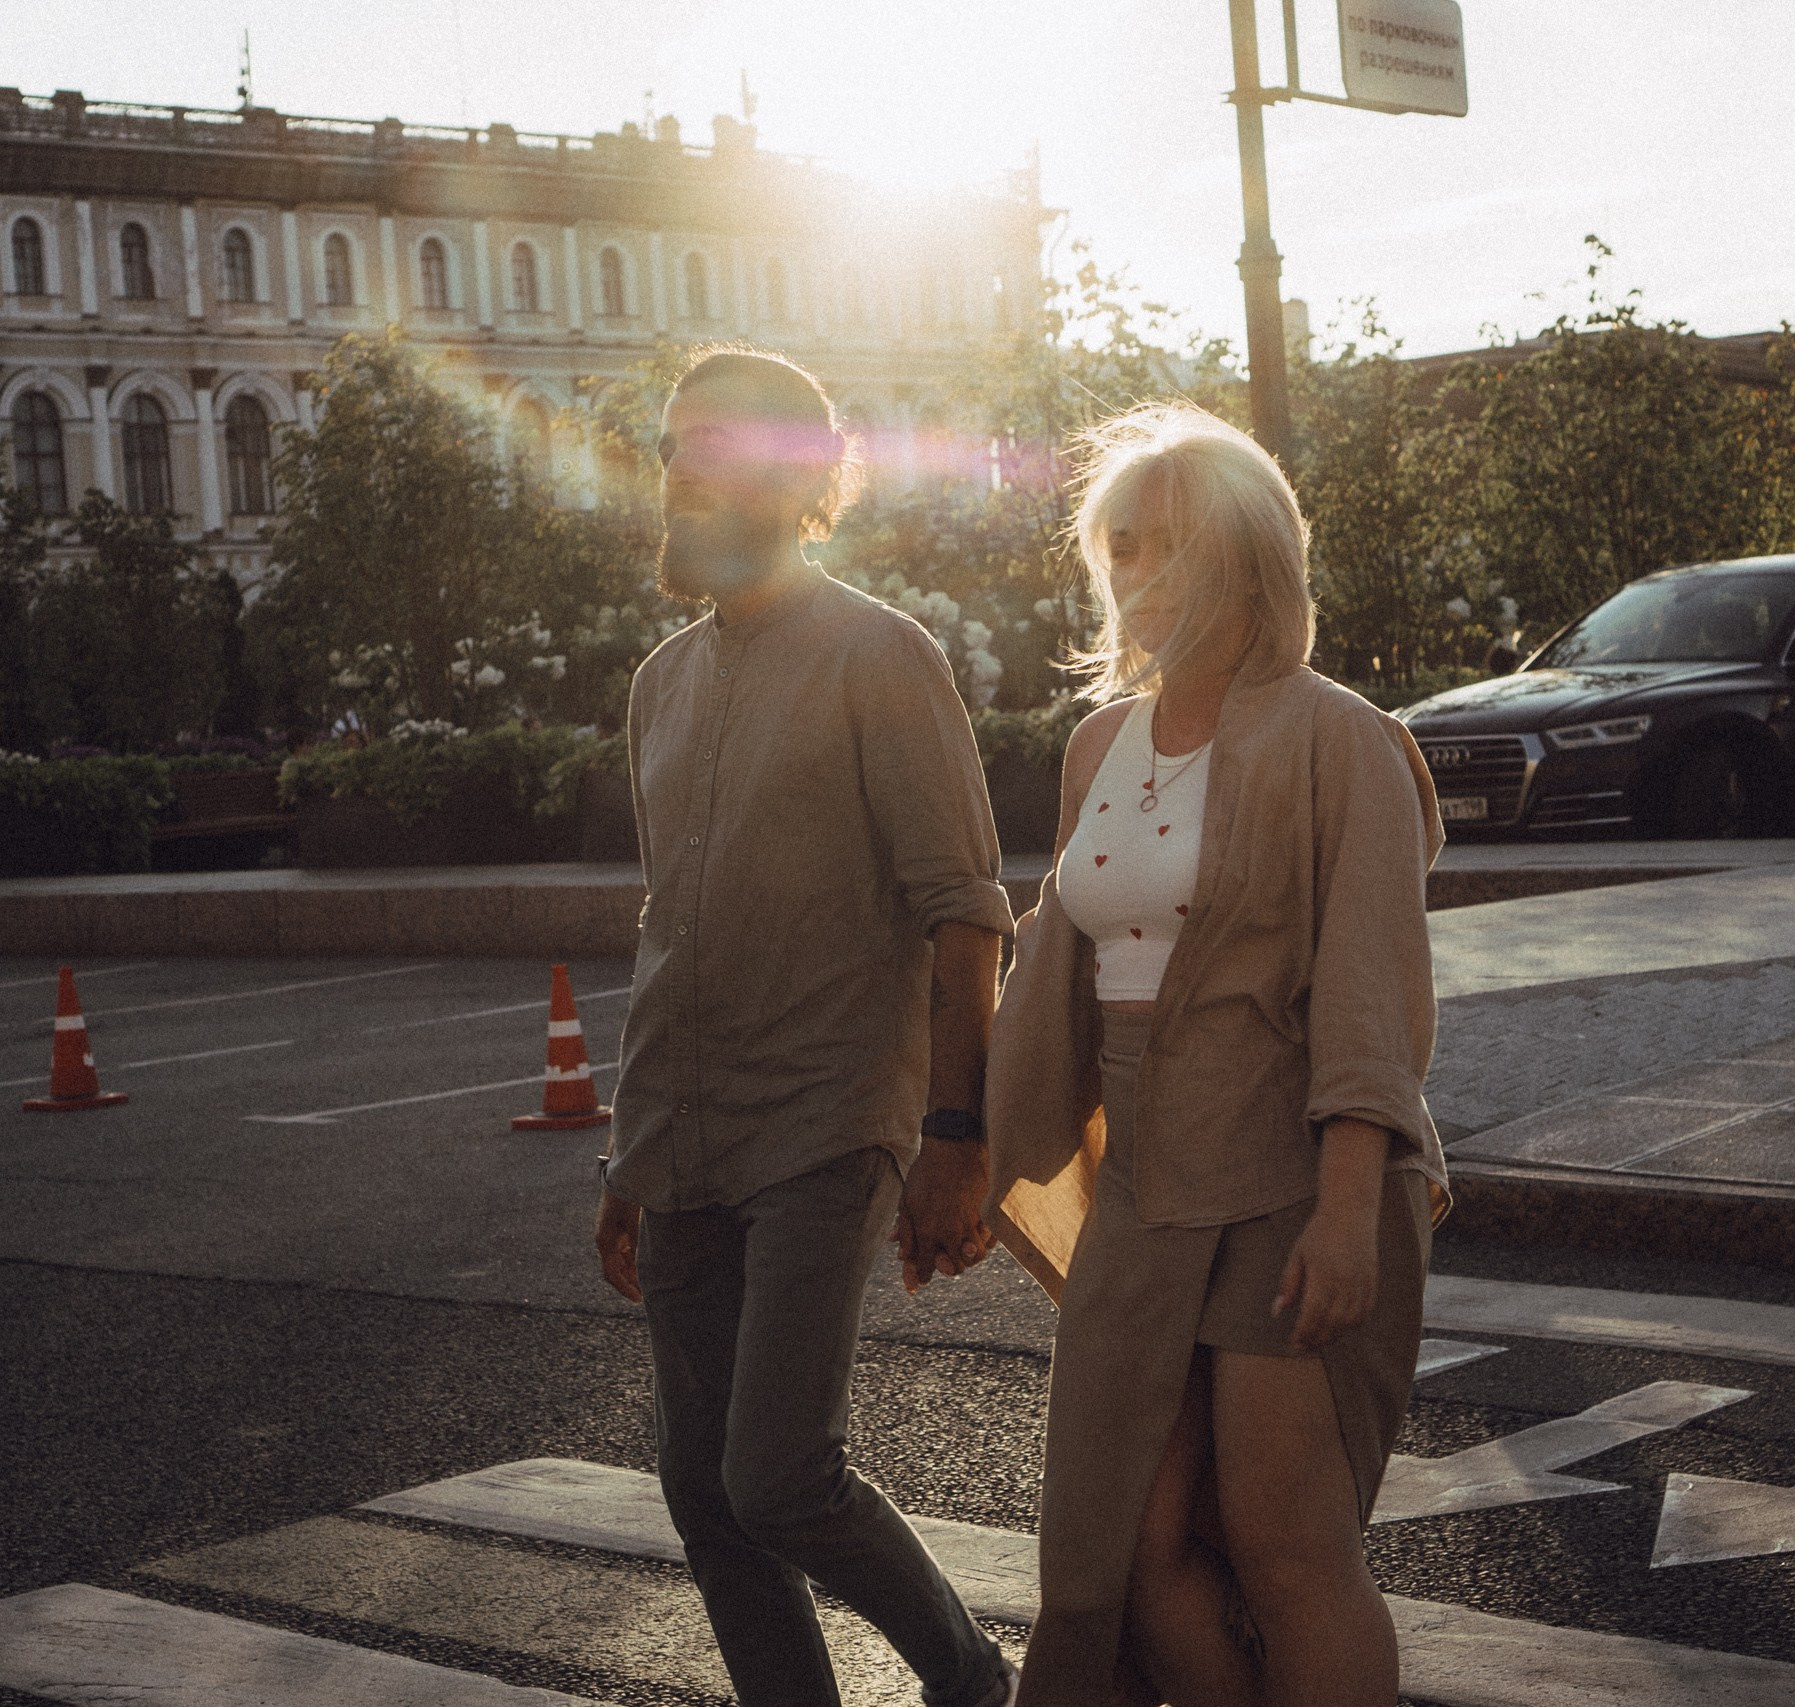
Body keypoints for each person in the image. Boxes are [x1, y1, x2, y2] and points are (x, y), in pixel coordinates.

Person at [983, 404, 1449, 1705]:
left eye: (1164, 544)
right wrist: (970, 1136)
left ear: (1247, 555)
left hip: (1291, 1166)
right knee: (1120, 1548)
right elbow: (1061, 963)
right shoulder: (1095, 746)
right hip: (1142, 1183)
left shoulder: (1337, 733)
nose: (1133, 572)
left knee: (1287, 1544)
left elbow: (1370, 983)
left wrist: (1352, 1204)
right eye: (1116, 546)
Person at [593, 346, 1020, 1707]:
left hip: (827, 1123)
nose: (678, 472)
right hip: (680, 1138)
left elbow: (965, 913)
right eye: (671, 445)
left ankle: (971, 1676)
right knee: (701, 1492)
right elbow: (673, 929)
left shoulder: (880, 656)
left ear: (794, 476)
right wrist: (625, 1150)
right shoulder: (660, 680)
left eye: (710, 443)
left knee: (777, 1470)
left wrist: (957, 1135)